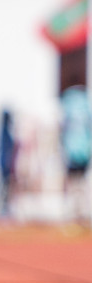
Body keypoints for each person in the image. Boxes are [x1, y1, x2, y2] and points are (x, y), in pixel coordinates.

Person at [60, 86, 91, 225]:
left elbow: (63, 131)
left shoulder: (68, 107)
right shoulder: (86, 108)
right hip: (84, 153)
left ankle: (75, 212)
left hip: (73, 153)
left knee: (74, 185)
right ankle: (79, 212)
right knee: (80, 184)